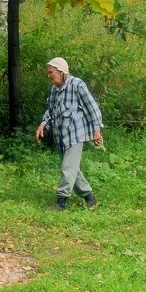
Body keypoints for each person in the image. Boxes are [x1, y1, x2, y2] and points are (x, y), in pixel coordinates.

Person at [35, 57, 104, 210]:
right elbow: (50, 110)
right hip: (61, 136)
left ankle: (61, 202)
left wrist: (96, 131)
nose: (49, 75)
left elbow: (92, 108)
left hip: (75, 134)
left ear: (61, 71)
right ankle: (89, 197)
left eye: (51, 72)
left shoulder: (77, 85)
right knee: (72, 169)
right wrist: (43, 125)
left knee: (67, 167)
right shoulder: (54, 90)